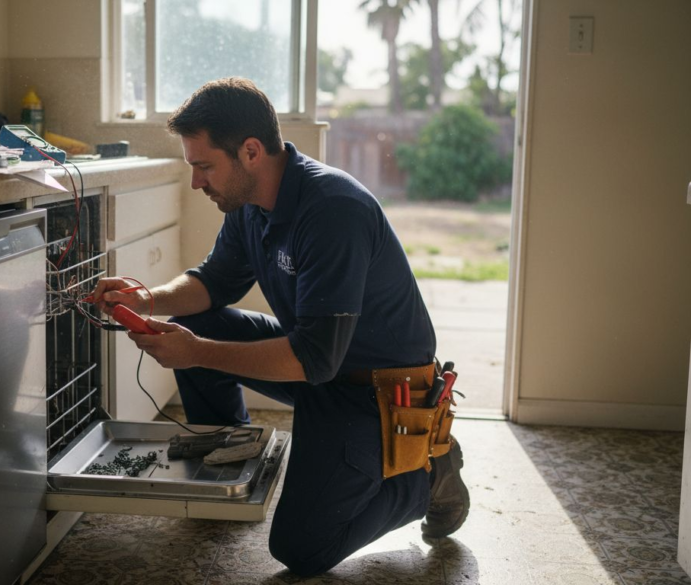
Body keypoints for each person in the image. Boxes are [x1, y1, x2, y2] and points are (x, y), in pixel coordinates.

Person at [90, 77, 469, 576]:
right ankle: (230, 456)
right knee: (193, 321)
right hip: (321, 366)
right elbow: (214, 281)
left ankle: (425, 475)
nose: (196, 182)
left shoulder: (333, 210)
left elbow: (313, 359)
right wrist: (148, 298)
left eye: (204, 166)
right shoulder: (249, 205)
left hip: (375, 394)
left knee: (302, 548)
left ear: (250, 151)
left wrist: (197, 352)